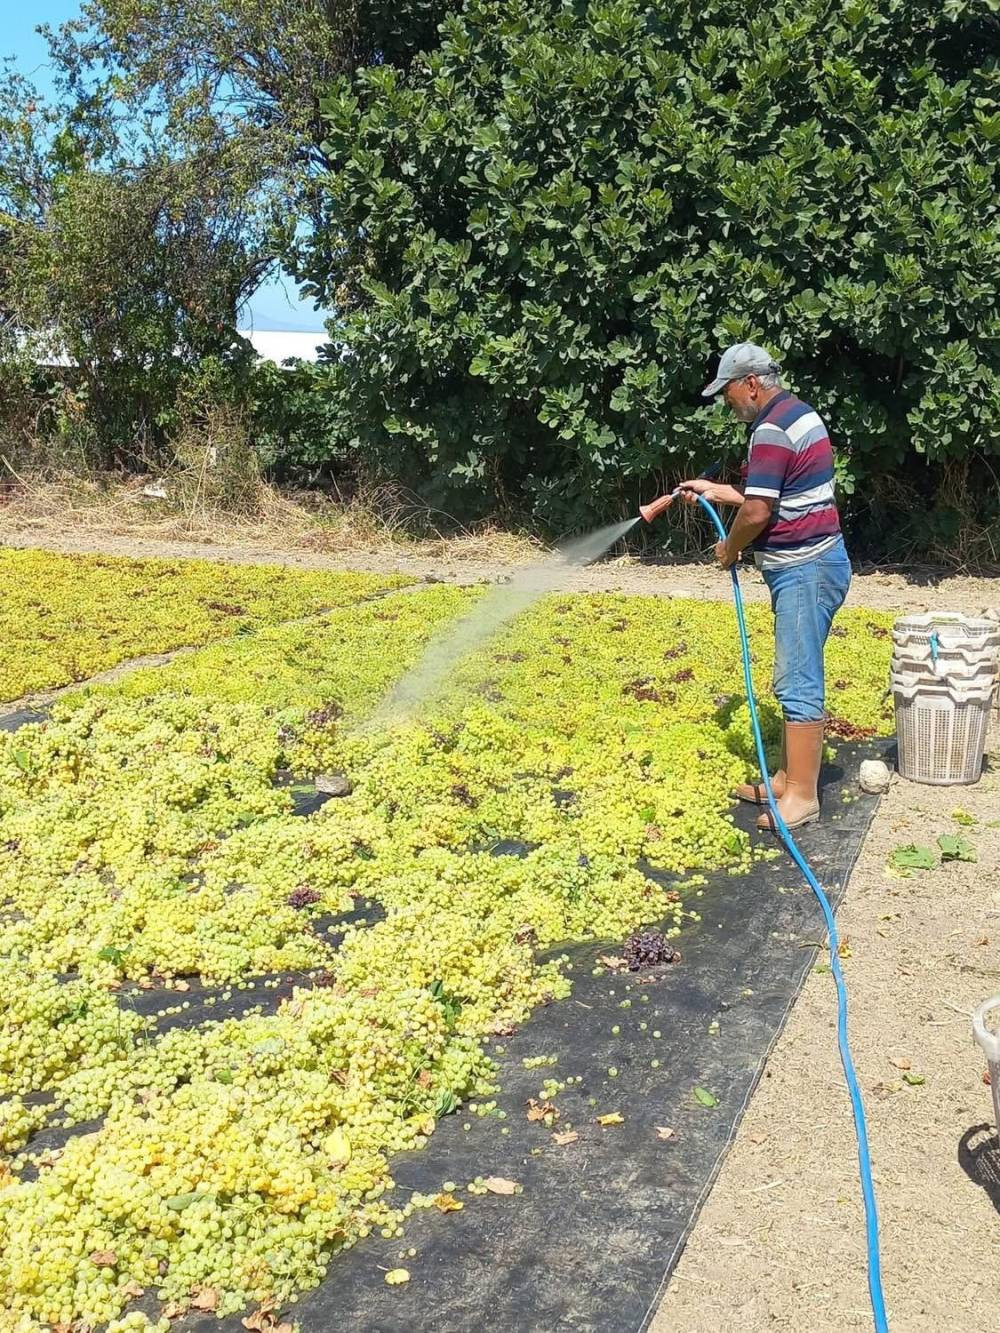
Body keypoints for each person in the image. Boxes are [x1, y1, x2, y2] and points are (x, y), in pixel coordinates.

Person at [654, 342, 851, 831]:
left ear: (751, 383)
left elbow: (759, 512)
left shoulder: (770, 429)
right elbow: (770, 494)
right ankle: (786, 778)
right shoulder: (795, 413)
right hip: (815, 564)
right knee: (793, 673)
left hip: (805, 569)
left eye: (728, 392)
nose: (727, 402)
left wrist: (730, 549)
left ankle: (802, 796)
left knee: (798, 679)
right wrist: (716, 491)